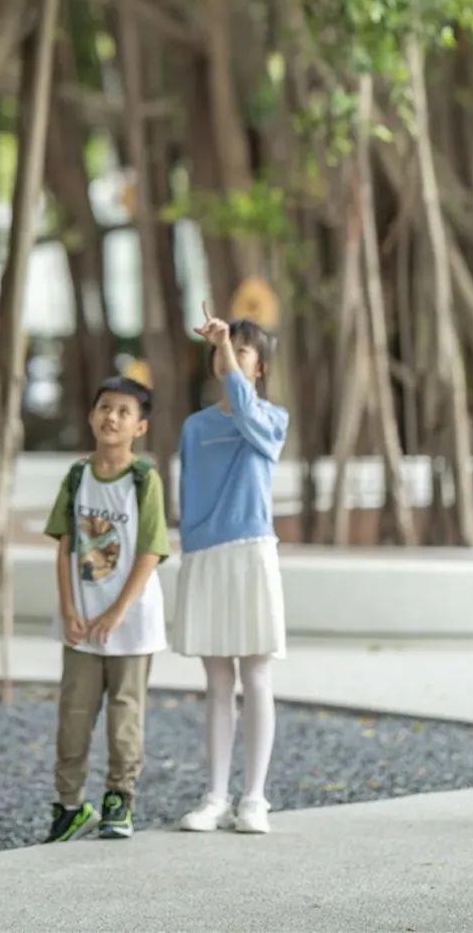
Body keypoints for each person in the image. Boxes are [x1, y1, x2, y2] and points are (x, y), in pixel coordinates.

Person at [175, 305, 288, 835]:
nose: (232, 358)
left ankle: (255, 798)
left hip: (251, 553)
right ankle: (215, 795)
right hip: (207, 555)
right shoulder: (195, 428)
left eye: (243, 351)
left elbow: (244, 410)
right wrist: (193, 546)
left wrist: (226, 349)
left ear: (259, 367)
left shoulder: (270, 419)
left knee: (256, 674)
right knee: (217, 681)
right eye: (226, 350)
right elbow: (188, 493)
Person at [43, 375, 169, 843]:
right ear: (92, 414)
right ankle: (70, 805)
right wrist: (70, 607)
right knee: (74, 714)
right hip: (81, 619)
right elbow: (64, 546)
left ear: (140, 427)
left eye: (123, 411)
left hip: (131, 620)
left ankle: (120, 799)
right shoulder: (78, 476)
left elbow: (151, 551)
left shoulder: (143, 479)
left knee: (125, 712)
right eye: (105, 407)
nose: (111, 417)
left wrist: (117, 612)